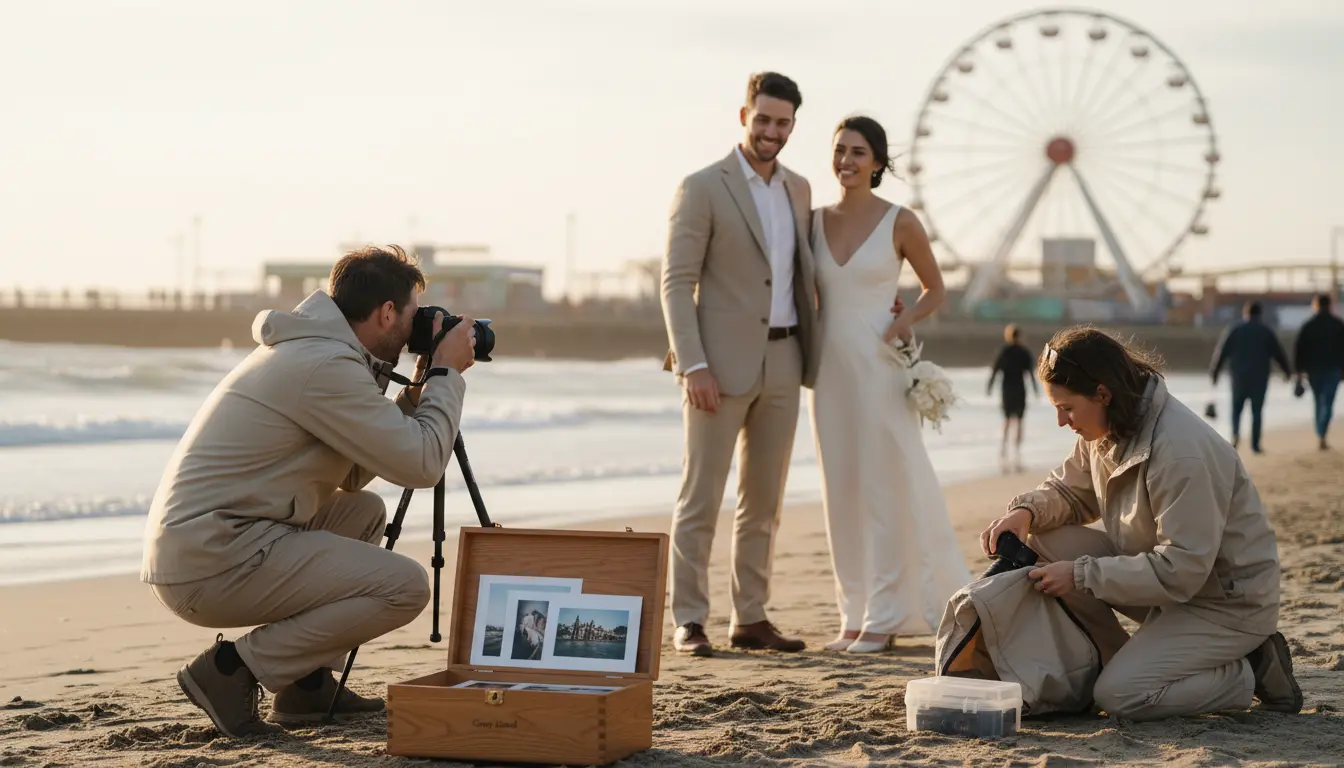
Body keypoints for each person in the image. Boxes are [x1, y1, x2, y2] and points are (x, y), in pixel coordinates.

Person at [141, 245, 478, 736]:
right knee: (405, 588)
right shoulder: (326, 366)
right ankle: (232, 669)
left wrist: (418, 388)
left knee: (360, 511)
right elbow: (424, 464)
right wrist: (446, 375)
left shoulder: (317, 351)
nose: (413, 330)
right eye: (410, 316)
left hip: (212, 543)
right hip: (210, 562)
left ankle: (304, 684)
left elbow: (353, 475)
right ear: (387, 313)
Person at [980, 326, 1302, 721]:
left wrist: (1082, 576)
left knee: (1121, 696)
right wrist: (1024, 512)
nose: (1062, 422)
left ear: (1102, 393)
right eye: (1055, 409)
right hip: (1161, 579)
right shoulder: (1106, 422)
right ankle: (1119, 660)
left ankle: (1248, 669)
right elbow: (1070, 491)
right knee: (1045, 542)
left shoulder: (1180, 452)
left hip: (1224, 602)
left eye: (1066, 408)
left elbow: (1183, 569)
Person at [660, 72, 821, 657]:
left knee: (764, 500)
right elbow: (676, 283)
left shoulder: (799, 190)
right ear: (744, 115)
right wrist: (693, 364)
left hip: (786, 357)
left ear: (793, 125)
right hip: (717, 366)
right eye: (763, 120)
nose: (772, 132)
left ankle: (750, 617)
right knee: (700, 496)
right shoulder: (703, 186)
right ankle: (690, 620)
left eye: (783, 123)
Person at [808, 115, 971, 654]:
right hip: (828, 374)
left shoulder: (900, 221)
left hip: (879, 368)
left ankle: (884, 616)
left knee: (883, 486)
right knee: (841, 492)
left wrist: (902, 323)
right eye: (839, 151)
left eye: (858, 152)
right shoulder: (811, 222)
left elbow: (936, 288)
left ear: (878, 162)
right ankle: (852, 615)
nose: (846, 161)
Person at [1209, 300, 1291, 453]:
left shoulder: (1234, 330)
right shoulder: (1266, 331)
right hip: (1259, 378)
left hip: (1238, 377)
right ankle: (1255, 445)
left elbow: (1221, 352)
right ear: (1260, 314)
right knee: (1257, 411)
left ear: (1245, 313)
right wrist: (1287, 372)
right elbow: (1278, 353)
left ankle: (1235, 437)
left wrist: (1215, 372)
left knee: (1236, 409)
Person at [1292, 293, 1344, 450]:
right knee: (1328, 401)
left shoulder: (1308, 325)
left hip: (1313, 370)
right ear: (1330, 306)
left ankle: (1320, 432)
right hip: (1333, 369)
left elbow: (1299, 349)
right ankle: (1322, 433)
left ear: (1315, 305)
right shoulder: (1338, 325)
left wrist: (1299, 371)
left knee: (1318, 401)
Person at [987, 323, 1039, 472]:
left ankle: (1004, 446)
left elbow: (995, 370)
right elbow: (1030, 374)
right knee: (1020, 420)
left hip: (1007, 390)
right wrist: (1036, 390)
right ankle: (1017, 449)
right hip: (1020, 389)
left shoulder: (1004, 352)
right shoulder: (1024, 352)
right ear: (1020, 336)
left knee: (1007, 420)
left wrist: (990, 386)